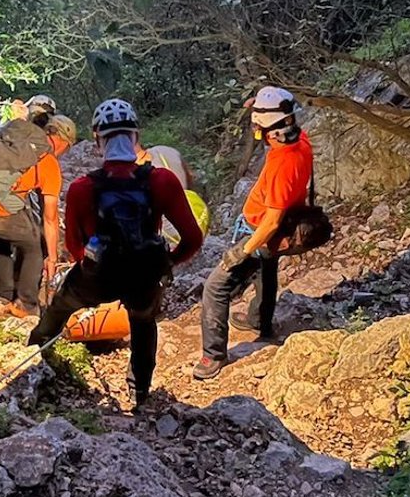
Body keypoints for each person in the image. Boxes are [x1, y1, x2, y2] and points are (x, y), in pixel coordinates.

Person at [29, 99, 203, 409]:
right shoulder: (161, 181)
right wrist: (168, 263)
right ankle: (140, 395)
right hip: (145, 276)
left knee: (61, 306)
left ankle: (36, 352)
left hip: (97, 277)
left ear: (98, 141)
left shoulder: (83, 188)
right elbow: (192, 237)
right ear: (136, 138)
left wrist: (91, 264)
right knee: (144, 324)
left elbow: (73, 246)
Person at [194, 86, 313, 380]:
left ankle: (213, 356)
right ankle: (260, 322)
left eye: (258, 125)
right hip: (278, 227)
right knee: (266, 272)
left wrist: (241, 251)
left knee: (216, 286)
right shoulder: (300, 141)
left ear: (268, 127)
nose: (256, 130)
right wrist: (259, 109)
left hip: (261, 230)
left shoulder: (284, 164)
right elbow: (279, 114)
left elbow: (271, 221)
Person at [0, 112, 75, 318]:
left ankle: (4, 295)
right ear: (62, 141)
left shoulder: (16, 137)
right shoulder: (48, 161)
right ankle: (26, 303)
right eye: (67, 148)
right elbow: (50, 219)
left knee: (0, 242)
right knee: (34, 245)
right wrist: (51, 258)